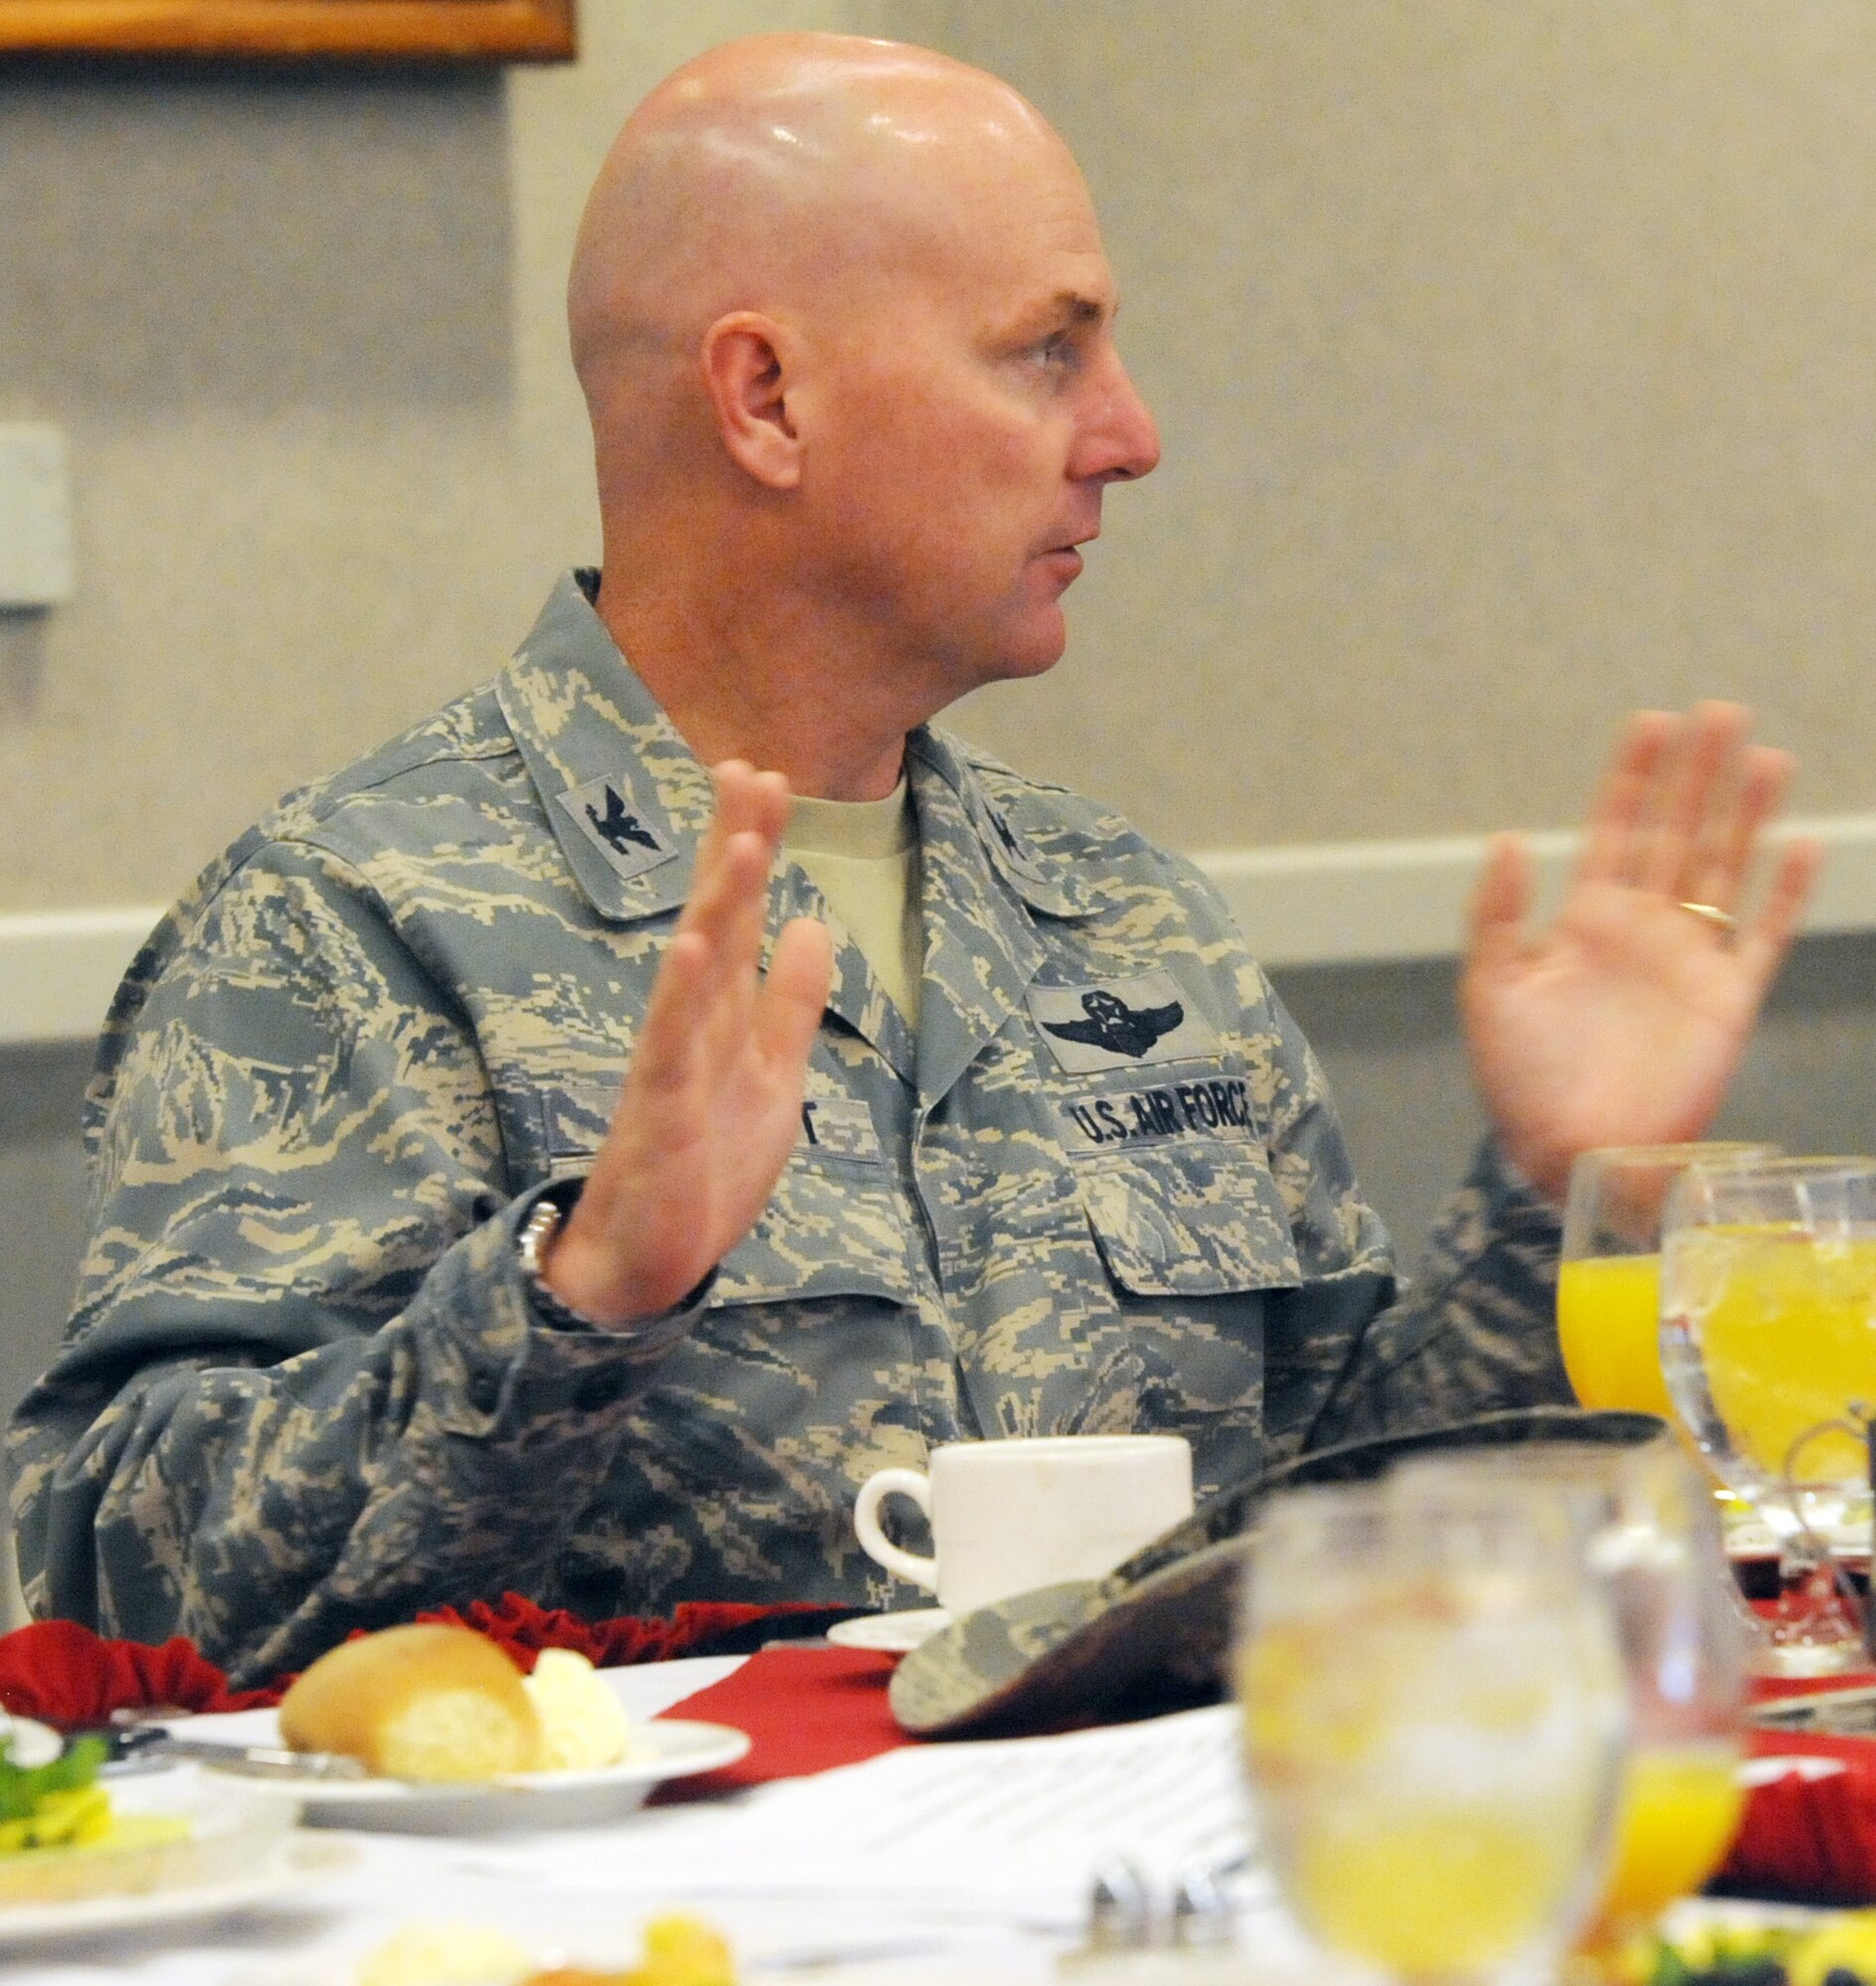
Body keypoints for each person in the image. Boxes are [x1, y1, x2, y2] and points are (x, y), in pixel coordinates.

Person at [8, 34, 1817, 1686]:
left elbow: (1337, 1529)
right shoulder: (359, 923)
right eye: (1050, 348)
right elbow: (116, 1596)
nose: (1130, 434)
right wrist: (578, 1298)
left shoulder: (1118, 916)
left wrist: (1557, 1189)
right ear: (767, 400)